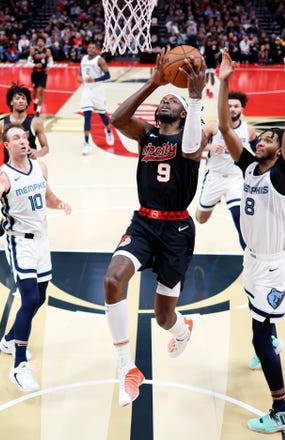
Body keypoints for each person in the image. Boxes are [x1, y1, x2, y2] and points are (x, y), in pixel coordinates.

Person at [104, 51, 213, 407]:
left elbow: (193, 146)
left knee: (164, 316)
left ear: (183, 115)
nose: (165, 100)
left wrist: (195, 99)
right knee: (111, 280)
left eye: (172, 100)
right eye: (162, 100)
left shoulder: (190, 139)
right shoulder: (148, 135)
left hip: (176, 232)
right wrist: (154, 82)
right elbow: (118, 119)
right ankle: (127, 369)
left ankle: (182, 329)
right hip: (144, 223)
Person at [217, 43, 285, 433]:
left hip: (272, 263)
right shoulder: (249, 167)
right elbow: (223, 126)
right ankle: (270, 334)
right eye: (262, 139)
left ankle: (282, 408)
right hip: (252, 260)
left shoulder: (281, 175)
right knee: (262, 327)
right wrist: (223, 83)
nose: (262, 142)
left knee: (257, 338)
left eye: (268, 140)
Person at [0, 123, 72, 392]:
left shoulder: (40, 167)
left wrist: (61, 203)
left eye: (24, 136)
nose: (23, 140)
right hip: (20, 242)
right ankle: (19, 367)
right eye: (16, 138)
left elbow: (47, 197)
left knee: (40, 298)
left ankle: (9, 340)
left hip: (42, 240)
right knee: (29, 298)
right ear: (6, 146)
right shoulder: (2, 177)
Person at [195, 90, 257, 249]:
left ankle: (249, 254)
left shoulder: (249, 130)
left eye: (236, 106)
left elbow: (260, 153)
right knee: (201, 219)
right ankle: (214, 199)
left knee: (239, 217)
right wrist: (210, 146)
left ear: (242, 108)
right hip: (214, 177)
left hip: (236, 179)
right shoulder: (212, 126)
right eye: (228, 105)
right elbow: (193, 145)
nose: (232, 109)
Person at [0, 83, 50, 235]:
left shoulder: (35, 122)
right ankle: (6, 219)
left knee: (31, 198)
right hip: (10, 169)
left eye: (23, 98)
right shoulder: (1, 124)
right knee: (8, 199)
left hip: (30, 169)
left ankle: (29, 223)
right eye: (17, 98)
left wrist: (38, 153)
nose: (21, 101)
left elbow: (46, 147)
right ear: (11, 102)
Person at [78, 42, 114, 155]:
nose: (91, 49)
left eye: (93, 48)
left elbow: (108, 75)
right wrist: (79, 77)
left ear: (97, 50)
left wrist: (95, 79)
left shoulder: (100, 60)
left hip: (98, 90)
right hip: (87, 90)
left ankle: (108, 130)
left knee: (103, 115)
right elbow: (81, 72)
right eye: (89, 47)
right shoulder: (83, 58)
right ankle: (86, 143)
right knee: (87, 116)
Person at [27, 36, 53, 116]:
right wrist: (35, 65)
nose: (40, 42)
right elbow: (28, 62)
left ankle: (38, 111)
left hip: (43, 73)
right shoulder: (33, 51)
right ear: (37, 42)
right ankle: (35, 102)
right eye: (39, 41)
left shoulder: (47, 51)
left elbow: (51, 61)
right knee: (34, 93)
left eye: (42, 41)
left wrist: (49, 67)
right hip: (35, 73)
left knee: (41, 91)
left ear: (44, 43)